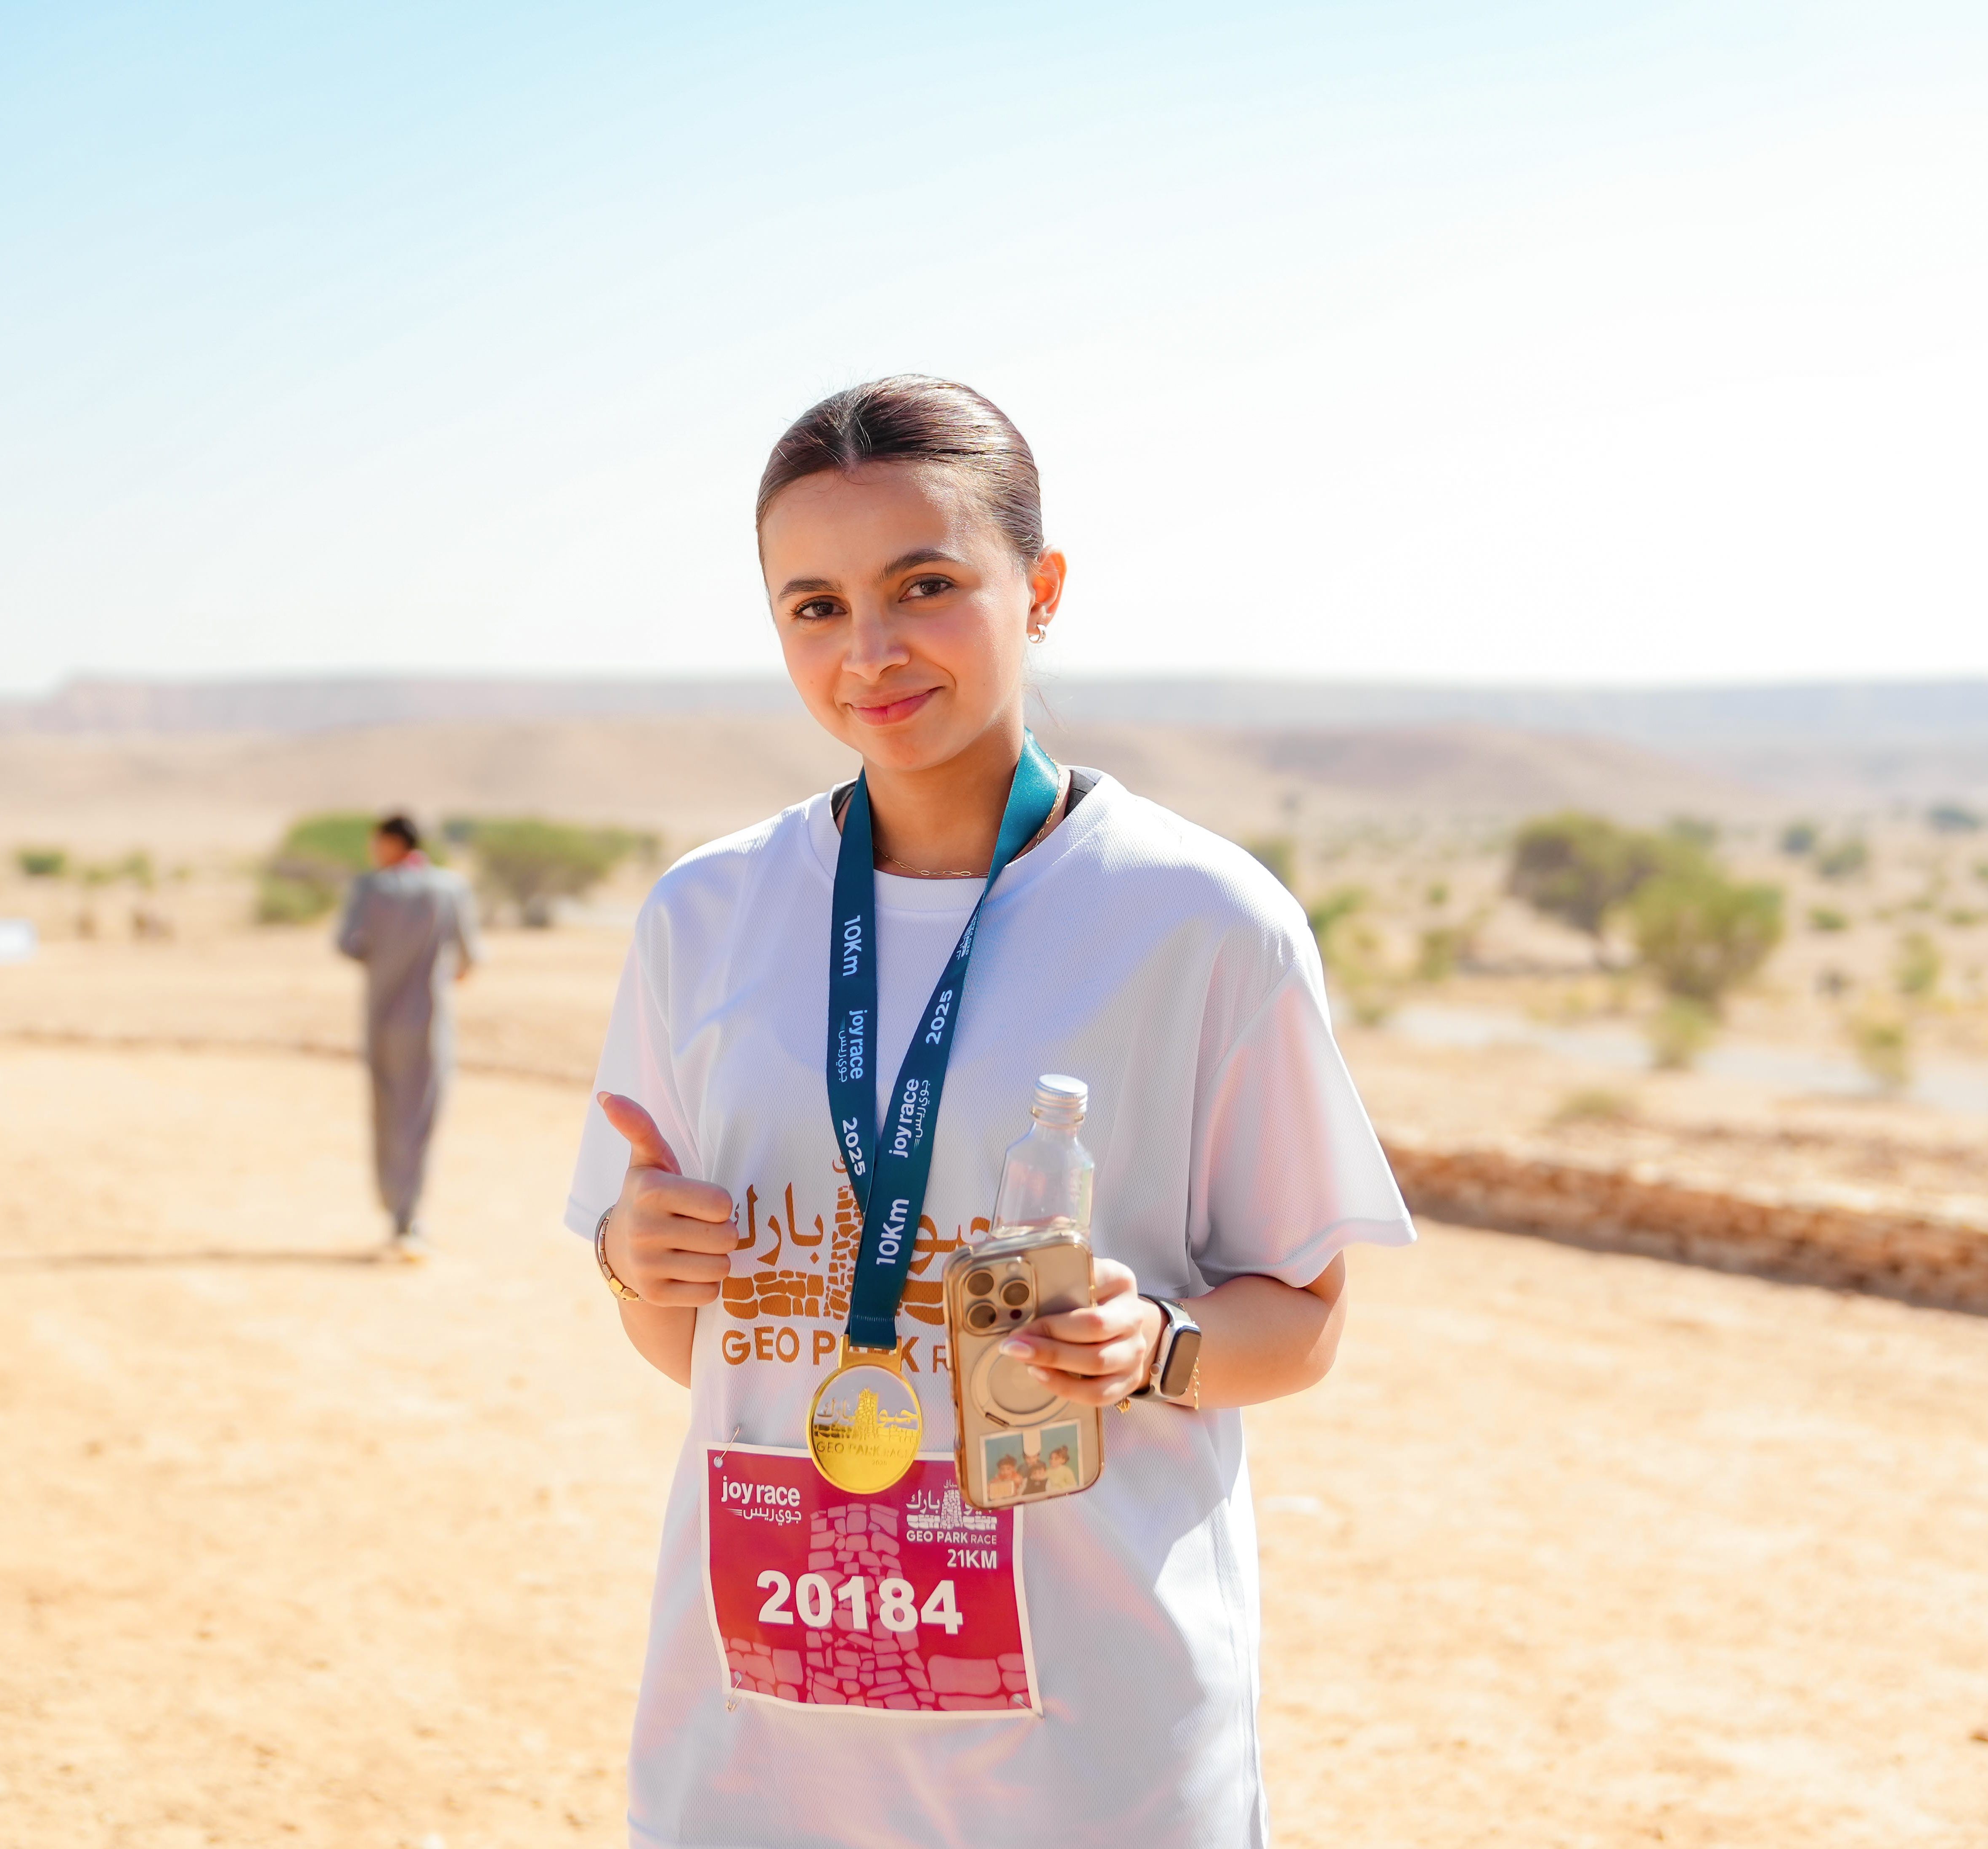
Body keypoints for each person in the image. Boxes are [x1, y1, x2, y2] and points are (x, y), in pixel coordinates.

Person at [566, 376, 1414, 1846]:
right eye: (815, 607)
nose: (870, 650)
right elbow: (686, 1348)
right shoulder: (705, 916)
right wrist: (638, 1261)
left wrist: (1155, 1347)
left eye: (926, 586)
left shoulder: (1200, 919)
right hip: (768, 1731)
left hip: (1082, 1745)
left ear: (1044, 590)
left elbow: (1305, 1321)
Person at [337, 813, 481, 1259]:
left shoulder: (370, 889)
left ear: (391, 843)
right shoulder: (451, 888)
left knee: (386, 1110)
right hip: (430, 1020)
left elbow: (348, 944)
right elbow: (469, 957)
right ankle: (409, 1215)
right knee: (422, 1114)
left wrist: (386, 957)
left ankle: (393, 1207)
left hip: (382, 1019)